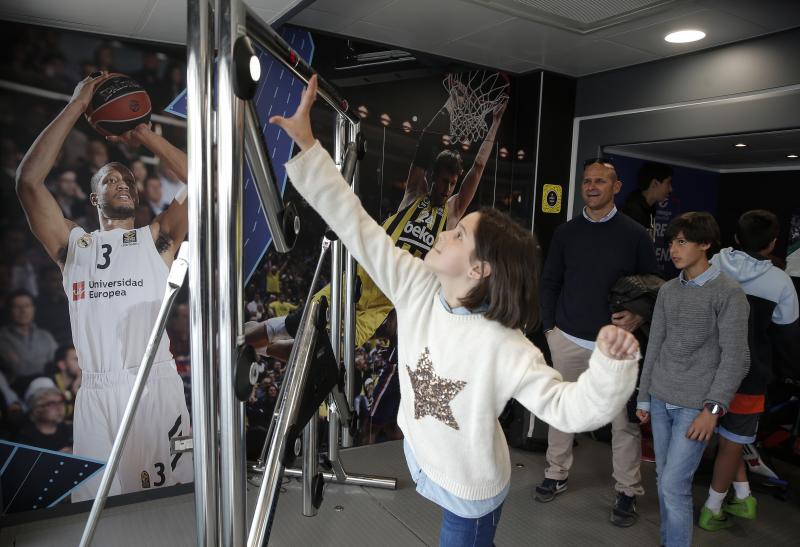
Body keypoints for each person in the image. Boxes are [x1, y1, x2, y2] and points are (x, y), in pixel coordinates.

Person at [270, 75, 641, 546]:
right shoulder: (416, 286)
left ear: (479, 269)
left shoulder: (507, 346)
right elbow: (355, 225)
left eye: (459, 234)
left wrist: (611, 366)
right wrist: (307, 146)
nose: (444, 234)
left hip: (472, 488)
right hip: (423, 458)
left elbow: (570, 410)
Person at [15, 72, 192, 501]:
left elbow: (210, 180)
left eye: (128, 180)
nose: (123, 184)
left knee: (170, 502)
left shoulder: (159, 237)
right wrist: (78, 104)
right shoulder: (74, 246)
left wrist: (142, 134)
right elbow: (28, 182)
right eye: (110, 180)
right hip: (96, 391)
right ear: (93, 198)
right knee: (98, 510)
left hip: (156, 385)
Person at [247, 85, 508, 356]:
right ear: (432, 178)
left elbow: (477, 169)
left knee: (327, 352)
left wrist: (496, 123)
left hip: (385, 302)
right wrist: (449, 108)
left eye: (453, 184)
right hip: (364, 278)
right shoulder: (413, 194)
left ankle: (262, 349)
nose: (448, 189)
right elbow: (424, 149)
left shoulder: (451, 215)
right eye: (444, 181)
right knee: (300, 324)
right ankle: (244, 343)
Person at [536, 158, 659, 527]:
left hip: (615, 346)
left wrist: (638, 315)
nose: (592, 187)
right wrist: (549, 331)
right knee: (562, 412)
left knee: (623, 422)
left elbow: (653, 283)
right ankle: (556, 474)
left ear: (616, 187)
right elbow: (549, 282)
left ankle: (627, 491)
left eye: (600, 181)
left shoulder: (636, 234)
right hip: (567, 339)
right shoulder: (566, 233)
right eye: (587, 181)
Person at [636, 212, 750, 547]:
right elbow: (655, 343)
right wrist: (644, 396)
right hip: (660, 398)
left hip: (695, 406)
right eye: (672, 241)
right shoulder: (669, 290)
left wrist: (712, 410)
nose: (673, 248)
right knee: (664, 481)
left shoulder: (728, 293)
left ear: (706, 244)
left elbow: (736, 358)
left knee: (673, 485)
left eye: (682, 241)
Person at [699, 210, 800, 531]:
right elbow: (789, 338)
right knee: (733, 442)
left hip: (705, 372)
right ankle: (712, 509)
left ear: (737, 238)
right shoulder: (780, 282)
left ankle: (742, 493)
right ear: (772, 244)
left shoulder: (711, 265)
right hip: (750, 377)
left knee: (715, 432)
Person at [0, 290, 58, 386]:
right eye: (17, 307)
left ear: (33, 309)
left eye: (27, 306)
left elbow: (56, 364)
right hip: (16, 389)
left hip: (47, 384)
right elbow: (18, 369)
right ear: (9, 310)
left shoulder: (46, 336)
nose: (23, 311)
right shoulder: (2, 338)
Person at [16, 377, 73, 452]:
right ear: (36, 410)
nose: (59, 407)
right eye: (52, 403)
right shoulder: (25, 438)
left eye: (60, 402)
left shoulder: (69, 431)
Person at [621, 162, 673, 240]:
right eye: (668, 183)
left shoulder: (648, 210)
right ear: (655, 183)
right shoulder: (632, 211)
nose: (670, 189)